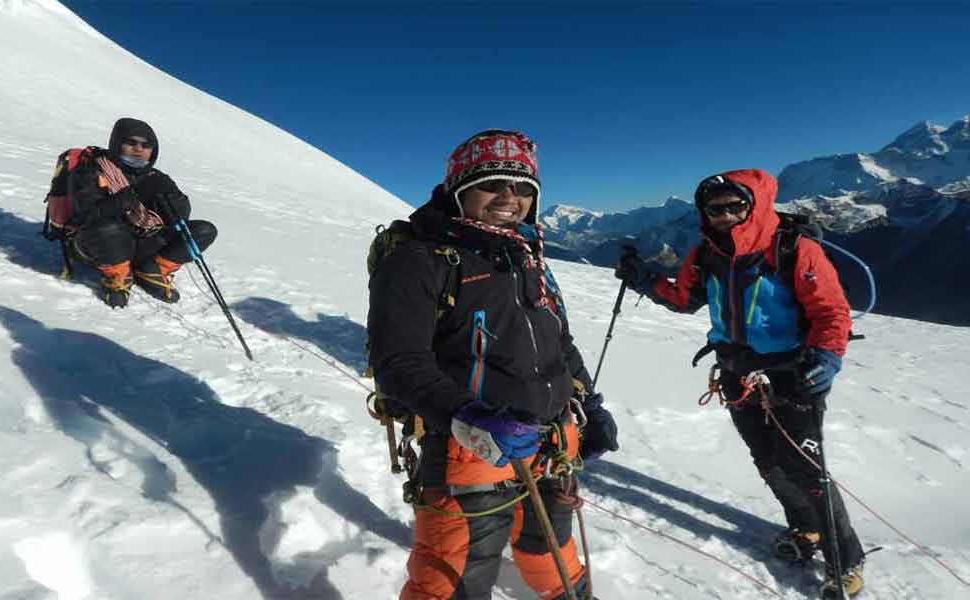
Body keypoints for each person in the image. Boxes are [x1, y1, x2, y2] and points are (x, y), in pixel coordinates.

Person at [367, 129, 618, 600]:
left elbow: (560, 345)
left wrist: (588, 403)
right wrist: (470, 416)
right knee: (453, 573)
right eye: (493, 184)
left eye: (523, 188)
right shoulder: (419, 260)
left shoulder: (526, 256)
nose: (510, 197)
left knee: (550, 546)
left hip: (550, 439)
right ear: (460, 190)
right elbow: (397, 362)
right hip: (469, 446)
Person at [615, 169, 865, 598]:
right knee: (767, 459)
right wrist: (645, 279)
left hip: (792, 374)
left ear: (754, 205)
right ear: (704, 213)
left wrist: (828, 356)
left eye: (735, 206)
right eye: (716, 208)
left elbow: (831, 311)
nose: (726, 214)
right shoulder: (706, 254)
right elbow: (685, 298)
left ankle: (846, 558)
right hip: (736, 373)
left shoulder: (794, 250)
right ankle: (805, 529)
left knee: (805, 469)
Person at [66, 117, 217, 308]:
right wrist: (125, 198)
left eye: (146, 145)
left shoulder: (156, 177)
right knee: (109, 229)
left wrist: (175, 202)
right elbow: (83, 217)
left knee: (203, 230)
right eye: (131, 142)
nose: (139, 149)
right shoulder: (91, 171)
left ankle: (152, 271)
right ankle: (119, 276)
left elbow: (179, 220)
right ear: (117, 143)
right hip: (97, 244)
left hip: (142, 241)